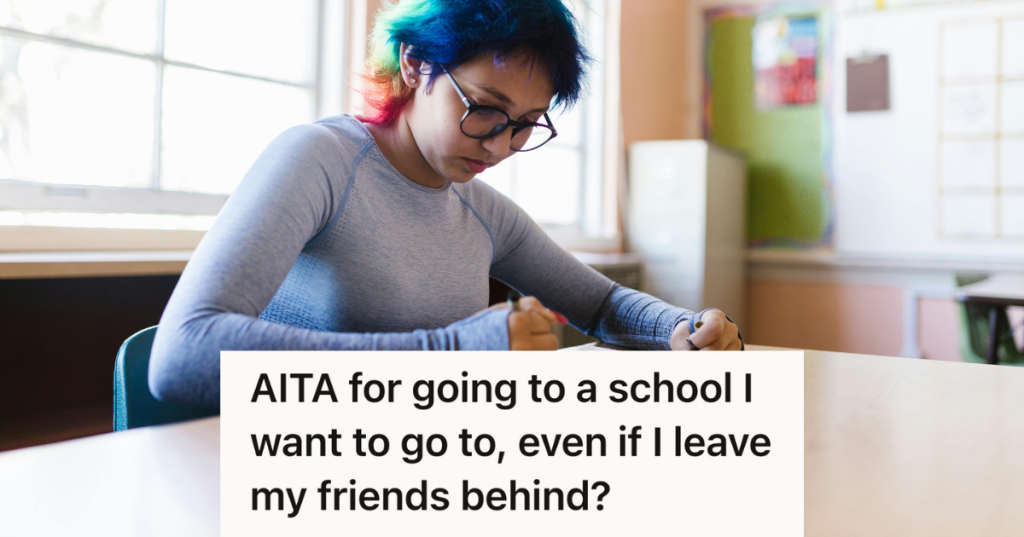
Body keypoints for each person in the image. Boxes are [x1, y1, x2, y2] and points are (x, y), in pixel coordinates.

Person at [149, 0, 743, 409]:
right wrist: (451, 354)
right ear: (415, 63)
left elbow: (603, 304)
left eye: (526, 124)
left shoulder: (481, 209)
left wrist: (681, 328)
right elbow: (182, 353)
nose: (501, 146)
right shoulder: (320, 160)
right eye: (484, 108)